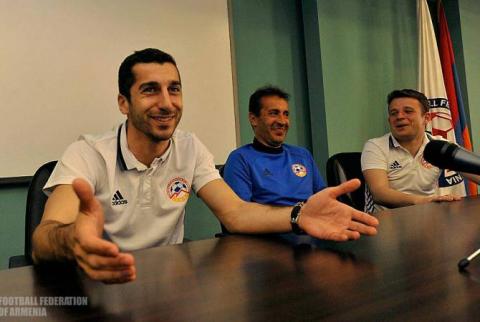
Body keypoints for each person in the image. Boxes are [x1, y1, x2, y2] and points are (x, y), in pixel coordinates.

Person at [32, 48, 378, 284]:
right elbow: (44, 238)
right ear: (124, 103)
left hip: (167, 287)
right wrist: (73, 240)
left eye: (175, 89)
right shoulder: (88, 152)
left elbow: (235, 214)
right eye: (150, 90)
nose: (167, 103)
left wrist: (297, 215)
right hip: (101, 284)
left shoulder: (189, 146)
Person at [222, 86, 325, 242]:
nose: (282, 121)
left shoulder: (302, 155)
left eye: (286, 114)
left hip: (314, 234)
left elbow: (322, 199)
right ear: (253, 119)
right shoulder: (240, 159)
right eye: (273, 113)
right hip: (269, 242)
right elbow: (241, 216)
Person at [361, 88, 479, 212]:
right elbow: (380, 193)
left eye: (408, 111)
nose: (399, 117)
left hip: (427, 216)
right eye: (393, 113)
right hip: (385, 221)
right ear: (389, 120)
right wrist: (422, 201)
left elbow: (476, 172)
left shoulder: (439, 147)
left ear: (426, 118)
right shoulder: (375, 146)